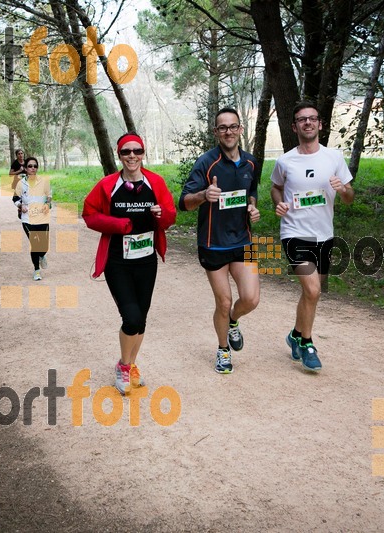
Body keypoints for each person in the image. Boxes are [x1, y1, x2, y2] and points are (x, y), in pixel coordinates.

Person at [82, 133, 176, 395]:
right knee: (131, 317)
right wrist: (119, 225)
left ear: (143, 153)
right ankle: (123, 366)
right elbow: (89, 214)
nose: (132, 156)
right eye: (126, 152)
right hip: (117, 260)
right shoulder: (107, 185)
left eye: (137, 151)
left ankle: (131, 365)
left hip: (146, 260)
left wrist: (162, 215)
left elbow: (170, 218)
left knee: (141, 320)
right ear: (119, 155)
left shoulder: (155, 182)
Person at [270, 101, 355, 372]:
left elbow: (350, 198)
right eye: (301, 119)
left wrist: (343, 189)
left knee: (312, 295)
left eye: (312, 118)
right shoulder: (285, 161)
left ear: (320, 124)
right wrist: (279, 203)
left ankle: (295, 334)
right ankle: (307, 343)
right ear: (294, 127)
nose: (307, 123)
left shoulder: (334, 158)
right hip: (294, 233)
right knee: (313, 289)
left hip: (324, 235)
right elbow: (276, 187)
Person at [178, 107, 261, 374]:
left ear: (240, 129)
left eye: (233, 126)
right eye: (222, 127)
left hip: (243, 242)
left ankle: (234, 321)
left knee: (251, 299)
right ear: (216, 132)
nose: (228, 131)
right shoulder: (206, 163)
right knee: (223, 302)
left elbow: (252, 192)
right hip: (213, 244)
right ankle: (223, 349)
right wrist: (204, 194)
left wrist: (252, 207)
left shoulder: (250, 162)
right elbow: (184, 203)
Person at [12, 157, 51, 281]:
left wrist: (47, 204)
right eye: (30, 166)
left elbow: (49, 196)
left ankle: (42, 256)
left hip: (42, 217)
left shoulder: (44, 181)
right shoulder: (20, 183)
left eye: (35, 166)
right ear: (26, 168)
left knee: (44, 246)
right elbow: (15, 198)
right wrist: (20, 205)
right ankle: (36, 270)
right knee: (35, 244)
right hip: (27, 219)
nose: (33, 168)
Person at [9, 149, 28, 219]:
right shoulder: (15, 163)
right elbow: (10, 174)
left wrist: (27, 171)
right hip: (17, 183)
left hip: (26, 183)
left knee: (25, 196)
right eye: (19, 154)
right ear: (16, 155)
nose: (20, 155)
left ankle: (24, 209)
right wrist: (19, 171)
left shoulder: (26, 162)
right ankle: (20, 208)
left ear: (23, 154)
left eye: (22, 153)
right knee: (18, 197)